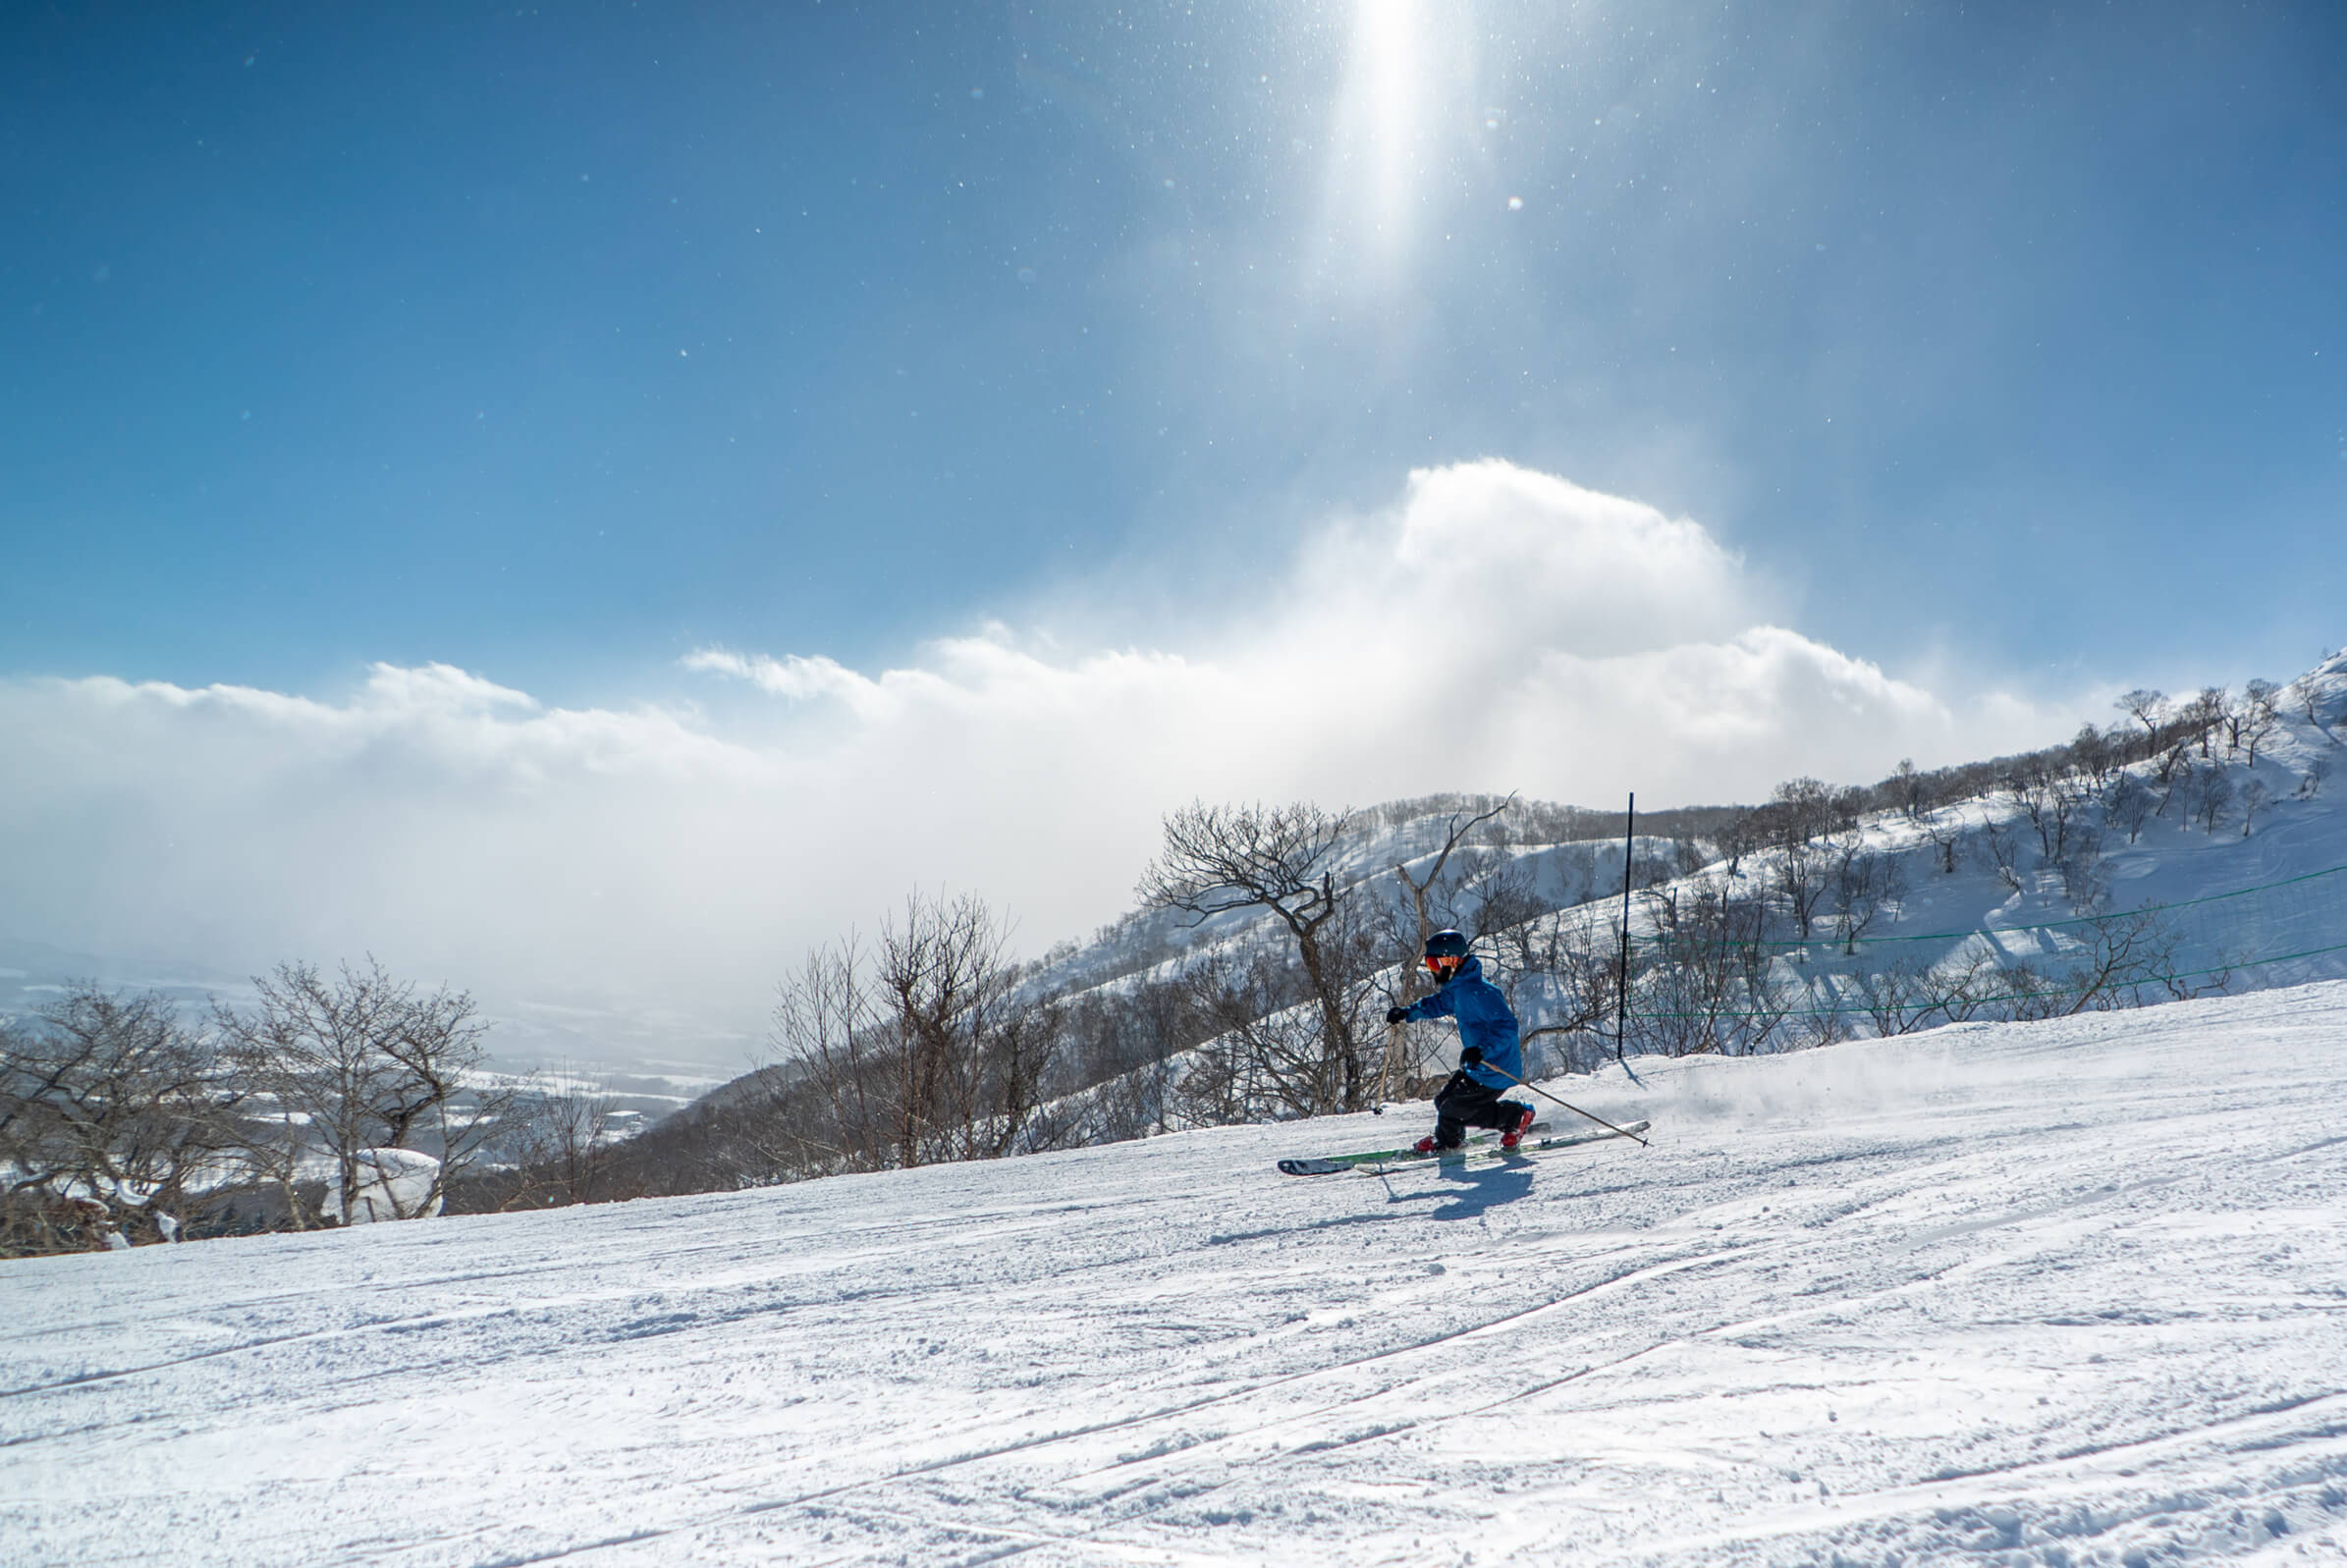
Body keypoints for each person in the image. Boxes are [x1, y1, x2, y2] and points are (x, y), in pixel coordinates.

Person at [1385, 929, 1537, 1154]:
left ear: (1452, 961)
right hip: (1477, 1065)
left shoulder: (1482, 992)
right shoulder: (1458, 989)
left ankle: (1514, 1118)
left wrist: (1482, 1051)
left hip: (1495, 1066)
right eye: (1431, 965)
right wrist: (1407, 1013)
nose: (1435, 971)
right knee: (1444, 1101)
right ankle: (1452, 1138)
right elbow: (1436, 1004)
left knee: (1453, 1109)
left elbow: (1507, 1027)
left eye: (1437, 965)